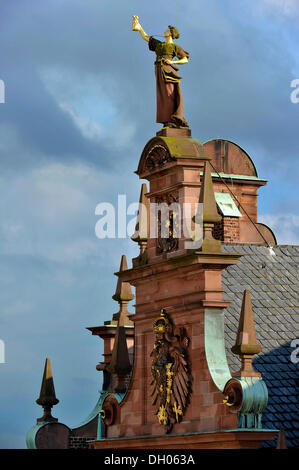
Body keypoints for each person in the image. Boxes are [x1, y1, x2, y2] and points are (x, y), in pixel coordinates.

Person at [132, 17, 189, 128]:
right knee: (162, 96)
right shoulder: (159, 45)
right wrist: (139, 28)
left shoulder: (174, 47)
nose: (165, 31)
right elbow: (146, 37)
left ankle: (173, 119)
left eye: (167, 30)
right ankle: (166, 121)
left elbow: (185, 59)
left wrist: (172, 61)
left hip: (169, 71)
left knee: (169, 94)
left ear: (171, 34)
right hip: (159, 70)